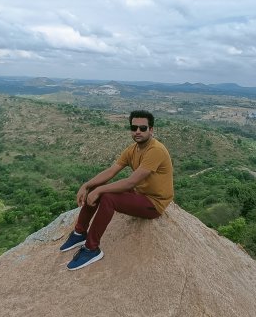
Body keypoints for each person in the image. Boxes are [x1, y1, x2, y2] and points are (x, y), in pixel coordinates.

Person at [60, 110, 174, 270]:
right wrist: (87, 186)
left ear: (151, 130)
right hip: (139, 195)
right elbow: (111, 171)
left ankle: (91, 249)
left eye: (143, 128)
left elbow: (130, 182)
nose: (138, 131)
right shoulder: (133, 149)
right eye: (134, 128)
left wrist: (99, 191)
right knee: (98, 189)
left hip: (153, 203)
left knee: (107, 197)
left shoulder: (156, 150)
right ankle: (79, 233)